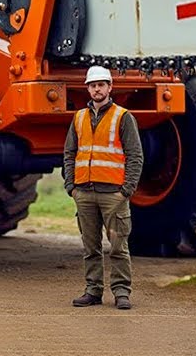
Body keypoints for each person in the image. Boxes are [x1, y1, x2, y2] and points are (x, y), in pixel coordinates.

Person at [63, 65, 144, 310]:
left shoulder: (123, 117)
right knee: (91, 247)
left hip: (113, 194)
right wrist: (71, 187)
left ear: (110, 87)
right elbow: (69, 153)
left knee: (119, 246)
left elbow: (135, 155)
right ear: (88, 88)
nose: (97, 89)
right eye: (93, 85)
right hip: (84, 192)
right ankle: (93, 291)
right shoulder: (78, 118)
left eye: (101, 85)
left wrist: (126, 190)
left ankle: (121, 292)